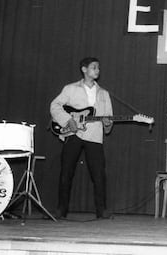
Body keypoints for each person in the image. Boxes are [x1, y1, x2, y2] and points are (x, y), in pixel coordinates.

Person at [50, 57, 113, 220]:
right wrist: (68, 120)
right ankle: (61, 210)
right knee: (66, 172)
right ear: (84, 69)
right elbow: (55, 106)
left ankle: (102, 210)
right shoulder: (70, 89)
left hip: (94, 135)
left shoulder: (104, 94)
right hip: (74, 133)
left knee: (99, 174)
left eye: (98, 68)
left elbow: (109, 121)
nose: (97, 70)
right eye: (94, 67)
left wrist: (107, 123)